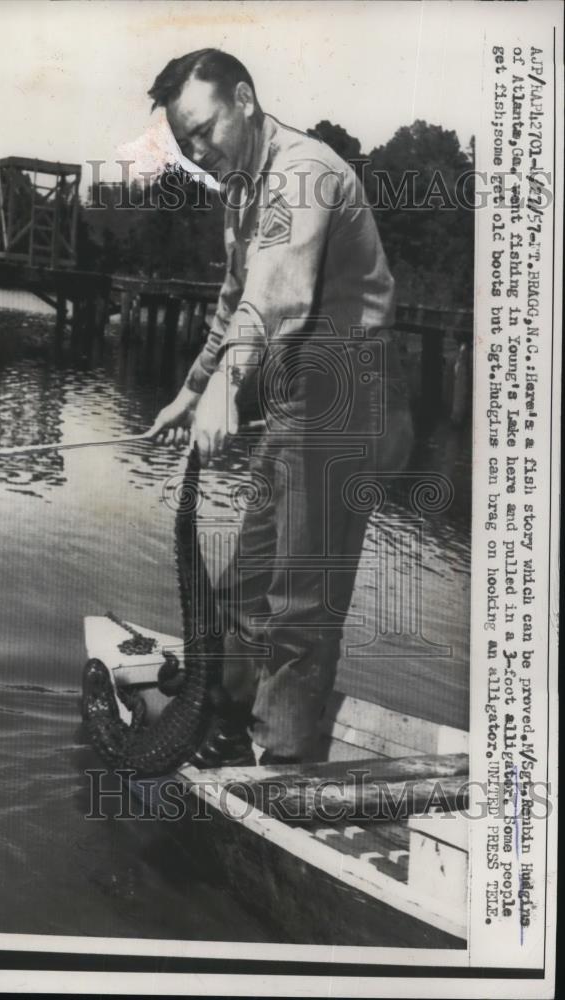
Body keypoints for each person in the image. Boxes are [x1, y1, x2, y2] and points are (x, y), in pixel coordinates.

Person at [145, 49, 413, 767]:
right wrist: (193, 390)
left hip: (351, 385)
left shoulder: (302, 173)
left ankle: (281, 763)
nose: (198, 152)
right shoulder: (240, 187)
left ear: (244, 98)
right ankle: (226, 713)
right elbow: (235, 298)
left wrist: (230, 387)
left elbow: (279, 296)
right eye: (185, 143)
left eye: (204, 129)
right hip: (299, 388)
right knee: (246, 583)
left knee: (301, 604)